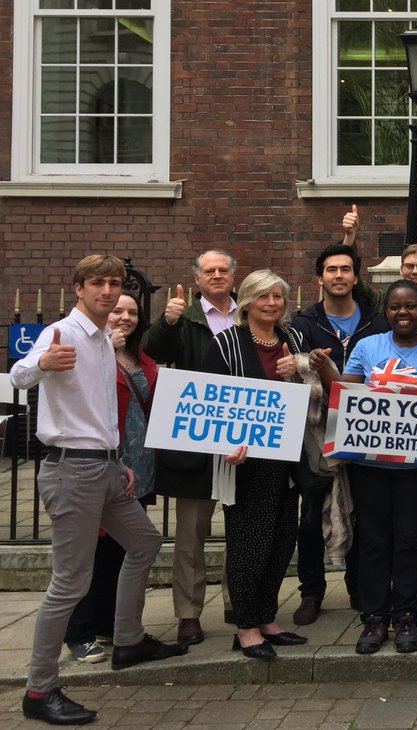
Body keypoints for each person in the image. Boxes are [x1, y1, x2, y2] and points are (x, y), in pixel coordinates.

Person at [14, 255, 185, 725]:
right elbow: (20, 375)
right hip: (72, 471)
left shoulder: (105, 342)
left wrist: (118, 460)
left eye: (114, 284)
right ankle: (39, 689)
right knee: (70, 581)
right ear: (79, 289)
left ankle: (127, 640)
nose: (108, 292)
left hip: (107, 468)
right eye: (98, 284)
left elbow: (104, 405)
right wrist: (42, 364)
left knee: (146, 541)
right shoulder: (62, 333)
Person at [314, 280, 417, 653]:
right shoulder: (368, 347)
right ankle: (375, 617)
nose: (403, 313)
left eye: (410, 306)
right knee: (374, 543)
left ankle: (408, 614)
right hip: (370, 466)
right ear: (386, 311)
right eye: (395, 306)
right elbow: (346, 392)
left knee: (412, 542)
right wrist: (323, 370)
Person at [201, 269, 312, 660]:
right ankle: (245, 627)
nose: (271, 304)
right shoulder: (226, 343)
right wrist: (223, 442)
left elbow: (310, 394)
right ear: (246, 301)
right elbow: (211, 400)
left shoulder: (292, 339)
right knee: (249, 543)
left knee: (281, 540)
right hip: (246, 460)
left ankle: (267, 617)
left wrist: (299, 371)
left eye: (278, 297)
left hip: (287, 457)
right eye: (263, 297)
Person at [287, 244, 390, 625]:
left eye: (346, 269)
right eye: (331, 270)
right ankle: (311, 592)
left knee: (362, 512)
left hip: (364, 431)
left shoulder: (376, 323)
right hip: (317, 436)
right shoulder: (303, 324)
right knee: (311, 518)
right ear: (320, 278)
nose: (339, 276)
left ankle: (358, 588)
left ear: (355, 276)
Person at [142, 249, 237, 646]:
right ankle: (188, 613)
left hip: (244, 438)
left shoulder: (249, 313)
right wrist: (167, 322)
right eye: (208, 271)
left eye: (223, 270)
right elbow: (154, 350)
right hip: (197, 439)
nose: (216, 275)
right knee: (190, 534)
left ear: (234, 276)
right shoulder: (184, 318)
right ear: (196, 279)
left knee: (245, 529)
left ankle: (240, 600)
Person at [62, 291, 159, 665]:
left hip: (138, 461)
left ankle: (108, 624)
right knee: (92, 551)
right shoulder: (89, 350)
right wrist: (104, 348)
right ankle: (79, 631)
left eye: (132, 312)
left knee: (121, 550)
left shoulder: (139, 355)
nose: (125, 317)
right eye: (118, 310)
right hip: (102, 462)